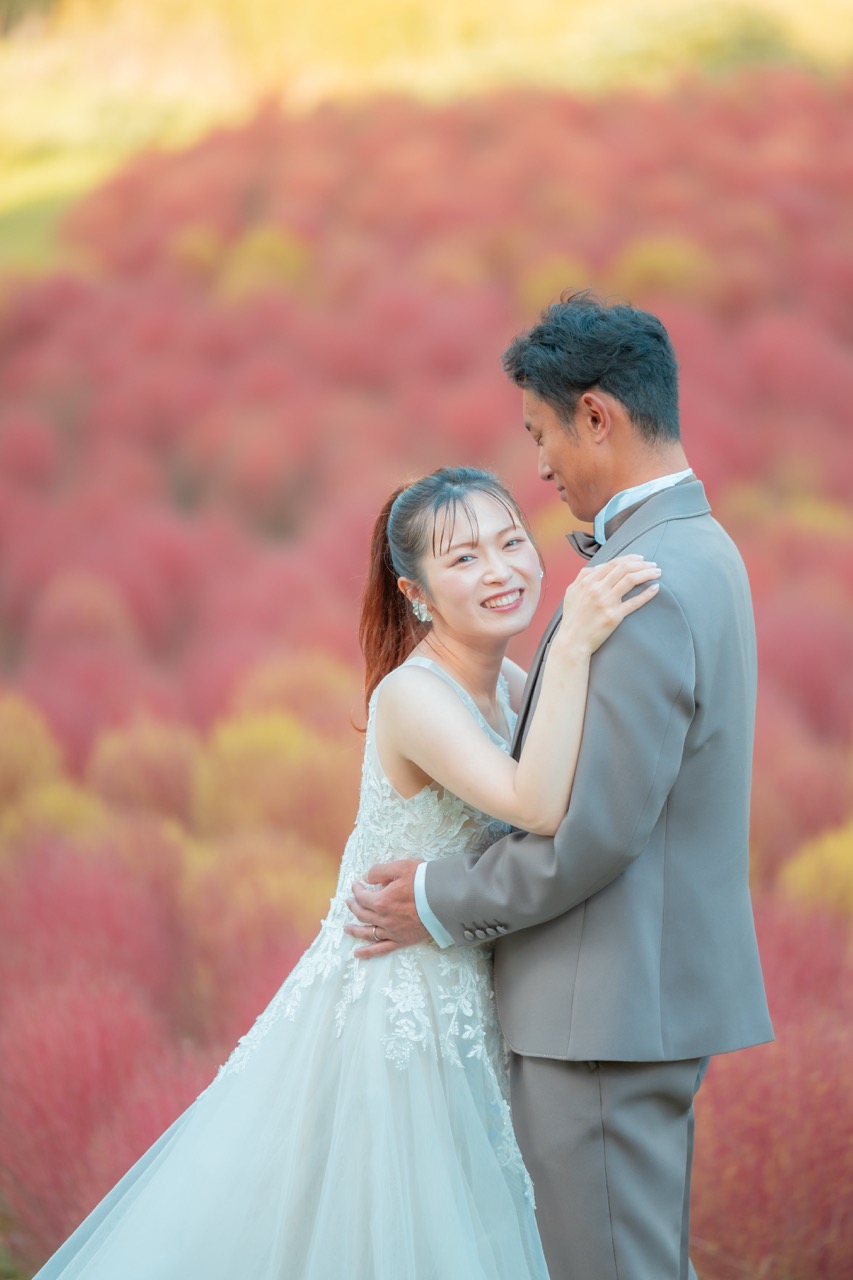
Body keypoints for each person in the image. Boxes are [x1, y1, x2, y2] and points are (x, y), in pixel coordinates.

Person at [33, 465, 660, 1280]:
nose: (500, 569)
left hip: (471, 989)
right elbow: (534, 805)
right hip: (397, 1005)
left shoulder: (509, 686)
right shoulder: (412, 696)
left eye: (510, 542)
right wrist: (572, 641)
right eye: (463, 558)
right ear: (415, 593)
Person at [347, 294, 775, 1280]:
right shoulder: (699, 546)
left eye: (540, 433)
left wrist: (431, 896)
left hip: (601, 1015)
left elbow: (589, 832)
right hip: (627, 1003)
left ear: (595, 416)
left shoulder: (642, 583)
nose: (537, 465)